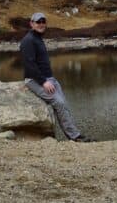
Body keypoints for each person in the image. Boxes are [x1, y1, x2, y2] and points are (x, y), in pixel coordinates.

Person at [20, 12, 93, 142]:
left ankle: (75, 134)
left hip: (49, 78)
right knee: (58, 103)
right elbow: (29, 65)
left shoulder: (38, 38)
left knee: (64, 104)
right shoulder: (28, 40)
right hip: (34, 80)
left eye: (43, 21)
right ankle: (74, 137)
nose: (41, 24)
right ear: (31, 23)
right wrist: (43, 82)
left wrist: (49, 80)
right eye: (38, 22)